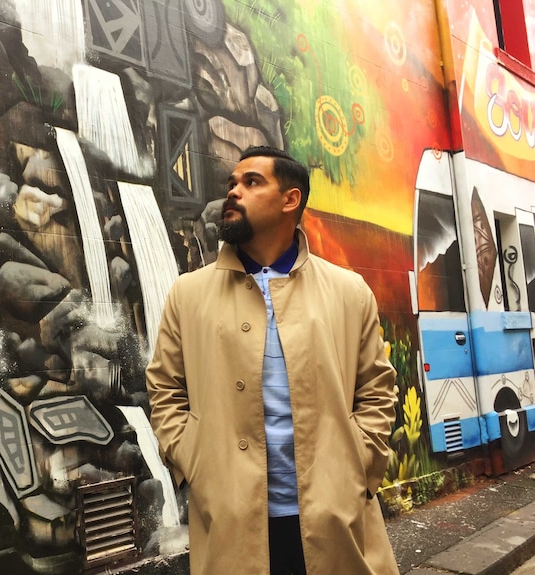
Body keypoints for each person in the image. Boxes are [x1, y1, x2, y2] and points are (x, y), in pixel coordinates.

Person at [146, 146, 399, 575]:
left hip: (335, 515)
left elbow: (376, 389)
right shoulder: (187, 294)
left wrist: (359, 466)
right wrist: (196, 466)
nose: (233, 192)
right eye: (232, 184)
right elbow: (164, 389)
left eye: (251, 182)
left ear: (290, 200)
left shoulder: (348, 290)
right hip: (230, 518)